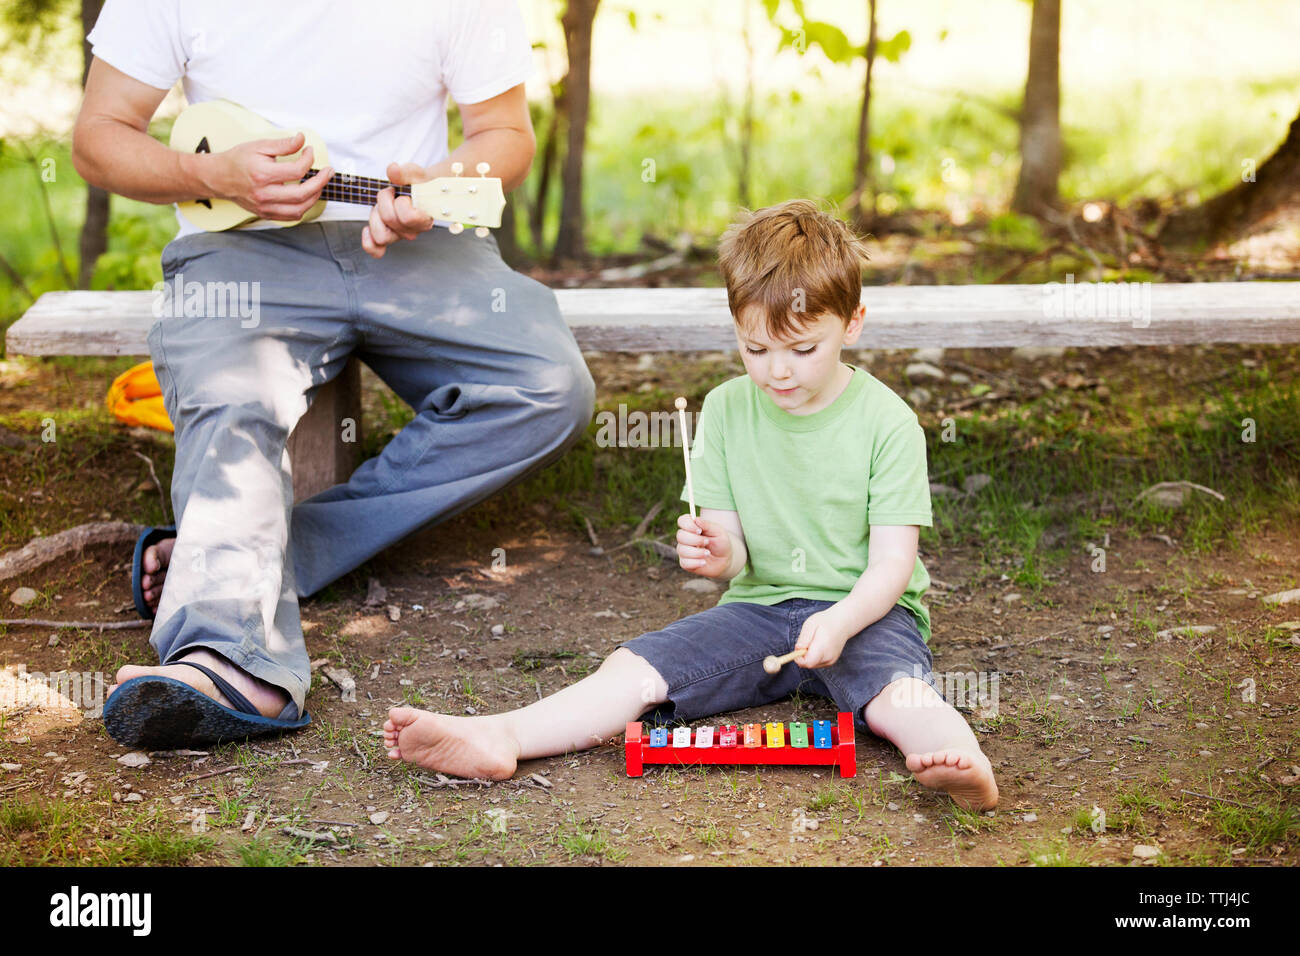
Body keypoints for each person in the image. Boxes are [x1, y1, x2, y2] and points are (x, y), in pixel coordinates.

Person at [72, 0, 595, 746]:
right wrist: (206, 172)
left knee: (549, 387)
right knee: (229, 400)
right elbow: (98, 137)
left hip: (420, 245)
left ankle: (256, 553)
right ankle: (228, 657)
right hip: (239, 249)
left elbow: (505, 135)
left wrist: (432, 188)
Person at [383, 199, 999, 811]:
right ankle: (501, 735)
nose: (777, 372)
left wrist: (839, 621)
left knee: (898, 695)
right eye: (755, 350)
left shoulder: (888, 422)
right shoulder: (727, 411)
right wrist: (716, 553)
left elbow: (893, 565)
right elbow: (735, 556)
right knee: (636, 667)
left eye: (802, 350)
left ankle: (955, 758)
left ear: (853, 323)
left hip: (866, 614)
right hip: (760, 610)